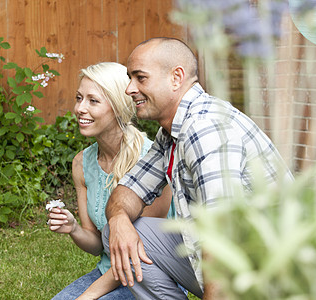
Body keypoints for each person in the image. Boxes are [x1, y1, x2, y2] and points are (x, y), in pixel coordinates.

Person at [103, 37, 293, 299]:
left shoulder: (205, 128)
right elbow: (126, 193)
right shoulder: (171, 132)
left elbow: (222, 237)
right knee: (123, 231)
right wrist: (118, 220)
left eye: (140, 78)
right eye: (129, 78)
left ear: (176, 77)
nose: (129, 89)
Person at [47, 62, 174, 299]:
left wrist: (86, 296)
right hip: (109, 272)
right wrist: (73, 228)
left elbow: (142, 248)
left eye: (93, 101)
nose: (80, 108)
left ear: (117, 107)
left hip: (149, 273)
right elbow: (97, 244)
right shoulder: (82, 163)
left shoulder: (151, 161)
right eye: (79, 98)